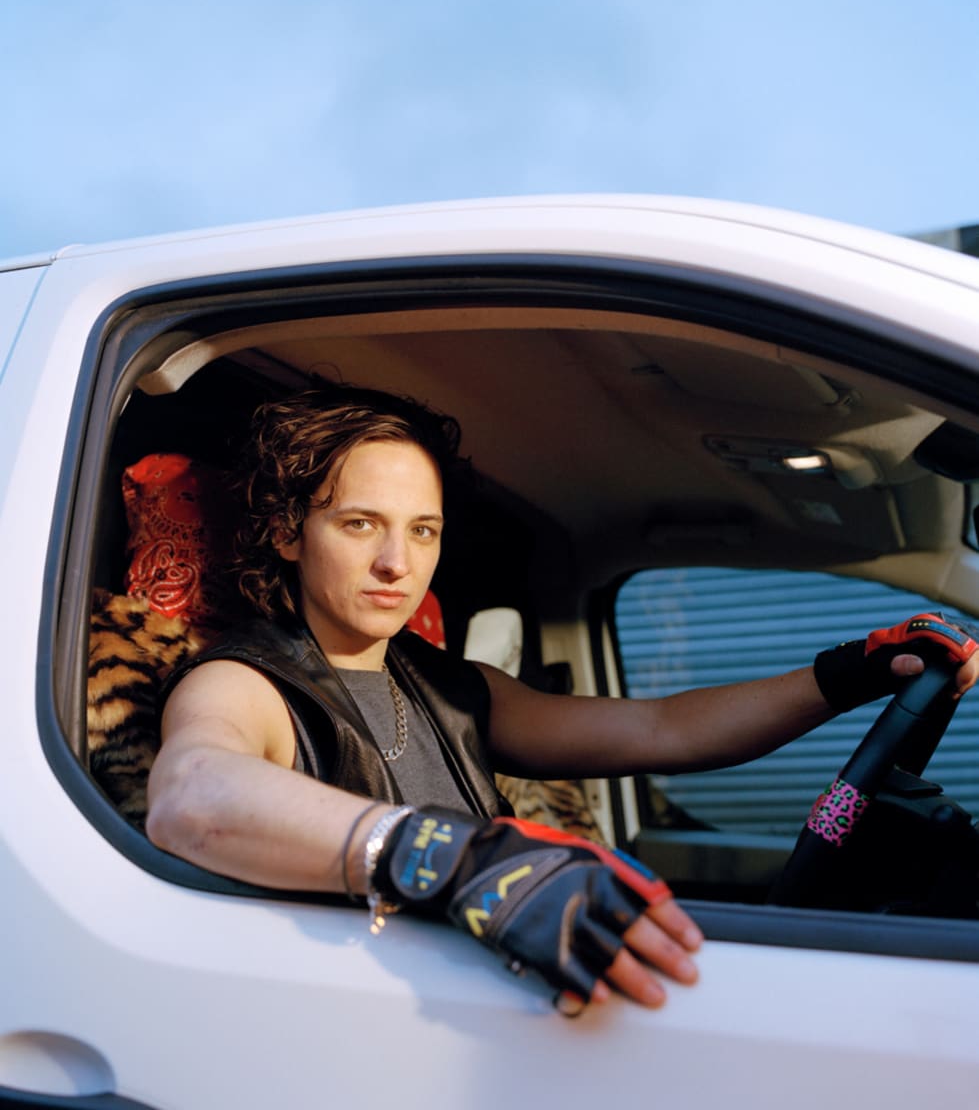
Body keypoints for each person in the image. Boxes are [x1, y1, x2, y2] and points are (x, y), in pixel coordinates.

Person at [146, 383, 979, 1015]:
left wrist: (845, 674)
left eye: (423, 530)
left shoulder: (440, 683)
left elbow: (659, 729)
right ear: (290, 532)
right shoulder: (247, 680)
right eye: (360, 524)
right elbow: (192, 796)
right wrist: (452, 856)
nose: (397, 562)